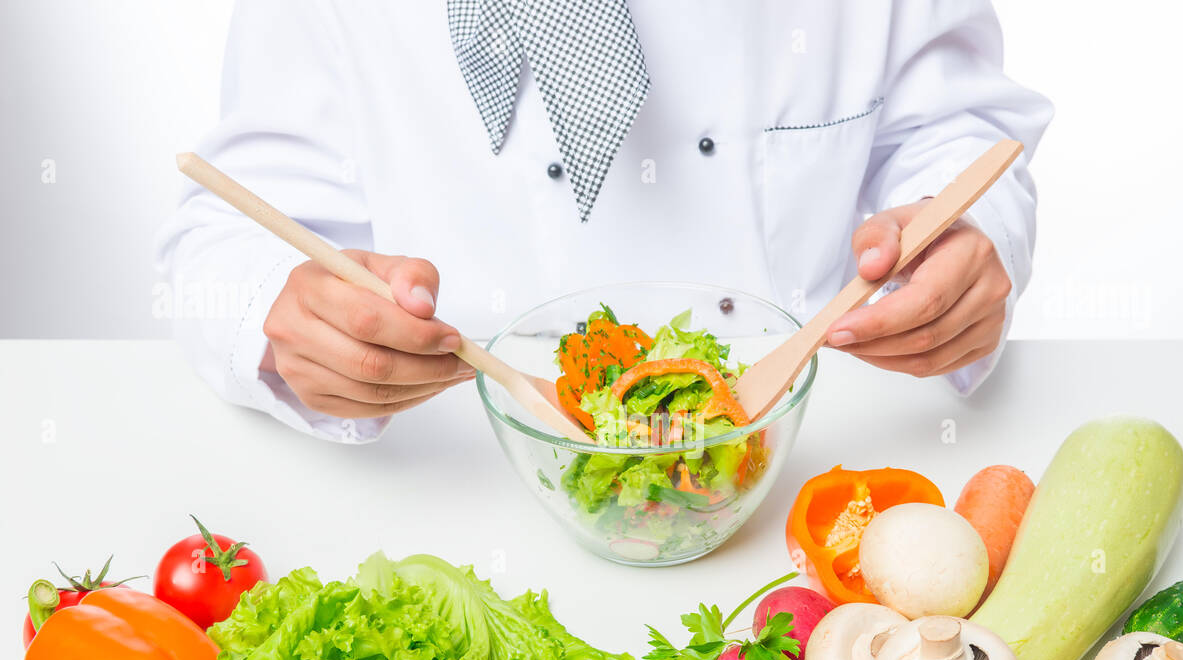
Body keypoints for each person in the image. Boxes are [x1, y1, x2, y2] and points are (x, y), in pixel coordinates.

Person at [157, 0, 1051, 442]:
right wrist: (283, 319)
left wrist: (971, 247)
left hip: (813, 457)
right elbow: (224, 234)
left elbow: (954, 135)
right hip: (459, 470)